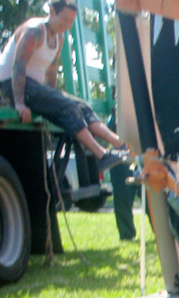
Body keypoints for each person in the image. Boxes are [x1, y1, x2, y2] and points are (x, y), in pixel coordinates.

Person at [0, 0, 129, 172]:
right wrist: (20, 103)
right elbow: (18, 66)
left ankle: (122, 145)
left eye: (71, 21)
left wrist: (53, 97)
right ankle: (102, 155)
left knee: (82, 106)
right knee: (68, 107)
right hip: (11, 84)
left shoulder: (59, 38)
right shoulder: (35, 31)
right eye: (64, 19)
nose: (67, 25)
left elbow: (51, 72)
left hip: (33, 86)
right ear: (52, 11)